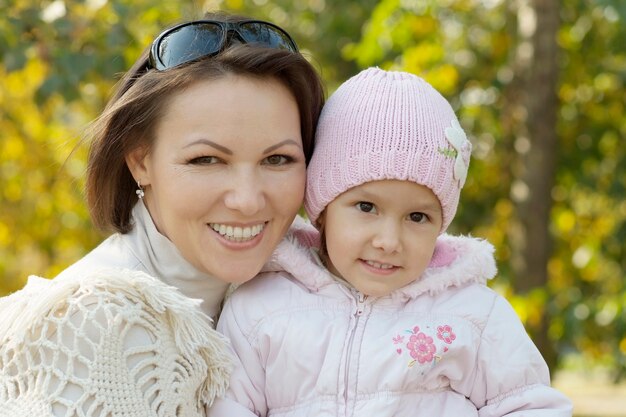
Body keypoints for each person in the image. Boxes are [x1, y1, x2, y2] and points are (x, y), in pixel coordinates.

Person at [0, 12, 324, 416]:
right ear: (140, 161)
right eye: (206, 160)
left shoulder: (312, 283)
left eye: (278, 159)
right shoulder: (100, 328)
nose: (247, 200)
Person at [208, 68, 573, 416]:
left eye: (418, 217)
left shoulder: (472, 315)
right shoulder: (259, 308)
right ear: (322, 211)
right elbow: (231, 405)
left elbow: (530, 406)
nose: (388, 240)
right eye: (366, 207)